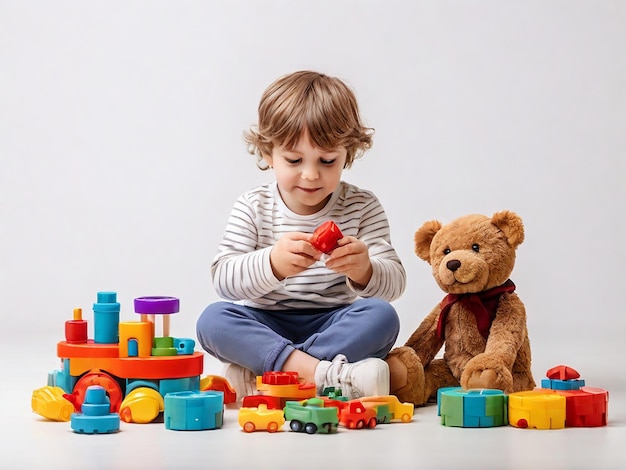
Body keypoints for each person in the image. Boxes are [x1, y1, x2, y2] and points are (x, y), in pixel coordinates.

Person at [196, 70, 406, 401]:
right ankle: (322, 375)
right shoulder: (253, 206)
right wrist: (272, 264)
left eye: (327, 160)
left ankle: (268, 372)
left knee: (382, 317)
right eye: (294, 159)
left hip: (333, 323)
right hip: (264, 322)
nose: (310, 174)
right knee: (213, 321)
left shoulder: (362, 206)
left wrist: (364, 269)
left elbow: (394, 284)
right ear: (268, 153)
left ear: (347, 154)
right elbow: (223, 279)